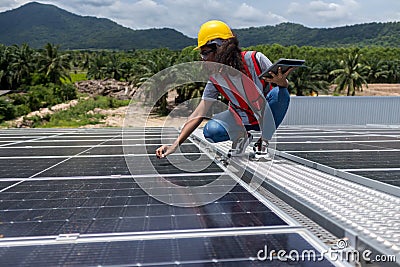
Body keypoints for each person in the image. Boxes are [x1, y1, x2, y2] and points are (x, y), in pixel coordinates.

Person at [156, 20, 292, 159]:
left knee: (280, 93)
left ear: (221, 48)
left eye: (205, 53)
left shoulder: (255, 59)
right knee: (211, 131)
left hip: (265, 116)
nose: (202, 59)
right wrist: (174, 145)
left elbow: (282, 90)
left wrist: (282, 82)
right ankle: (241, 137)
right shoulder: (215, 78)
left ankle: (263, 142)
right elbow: (199, 113)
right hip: (242, 119)